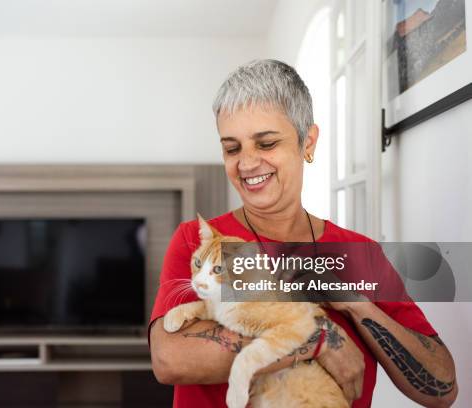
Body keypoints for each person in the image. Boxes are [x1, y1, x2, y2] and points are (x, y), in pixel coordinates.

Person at [149, 60, 457, 408]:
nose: (247, 164)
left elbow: (442, 387)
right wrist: (319, 337)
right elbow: (169, 358)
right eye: (232, 148)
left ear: (307, 143)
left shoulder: (360, 254)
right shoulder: (202, 242)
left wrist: (355, 306)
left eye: (266, 144)